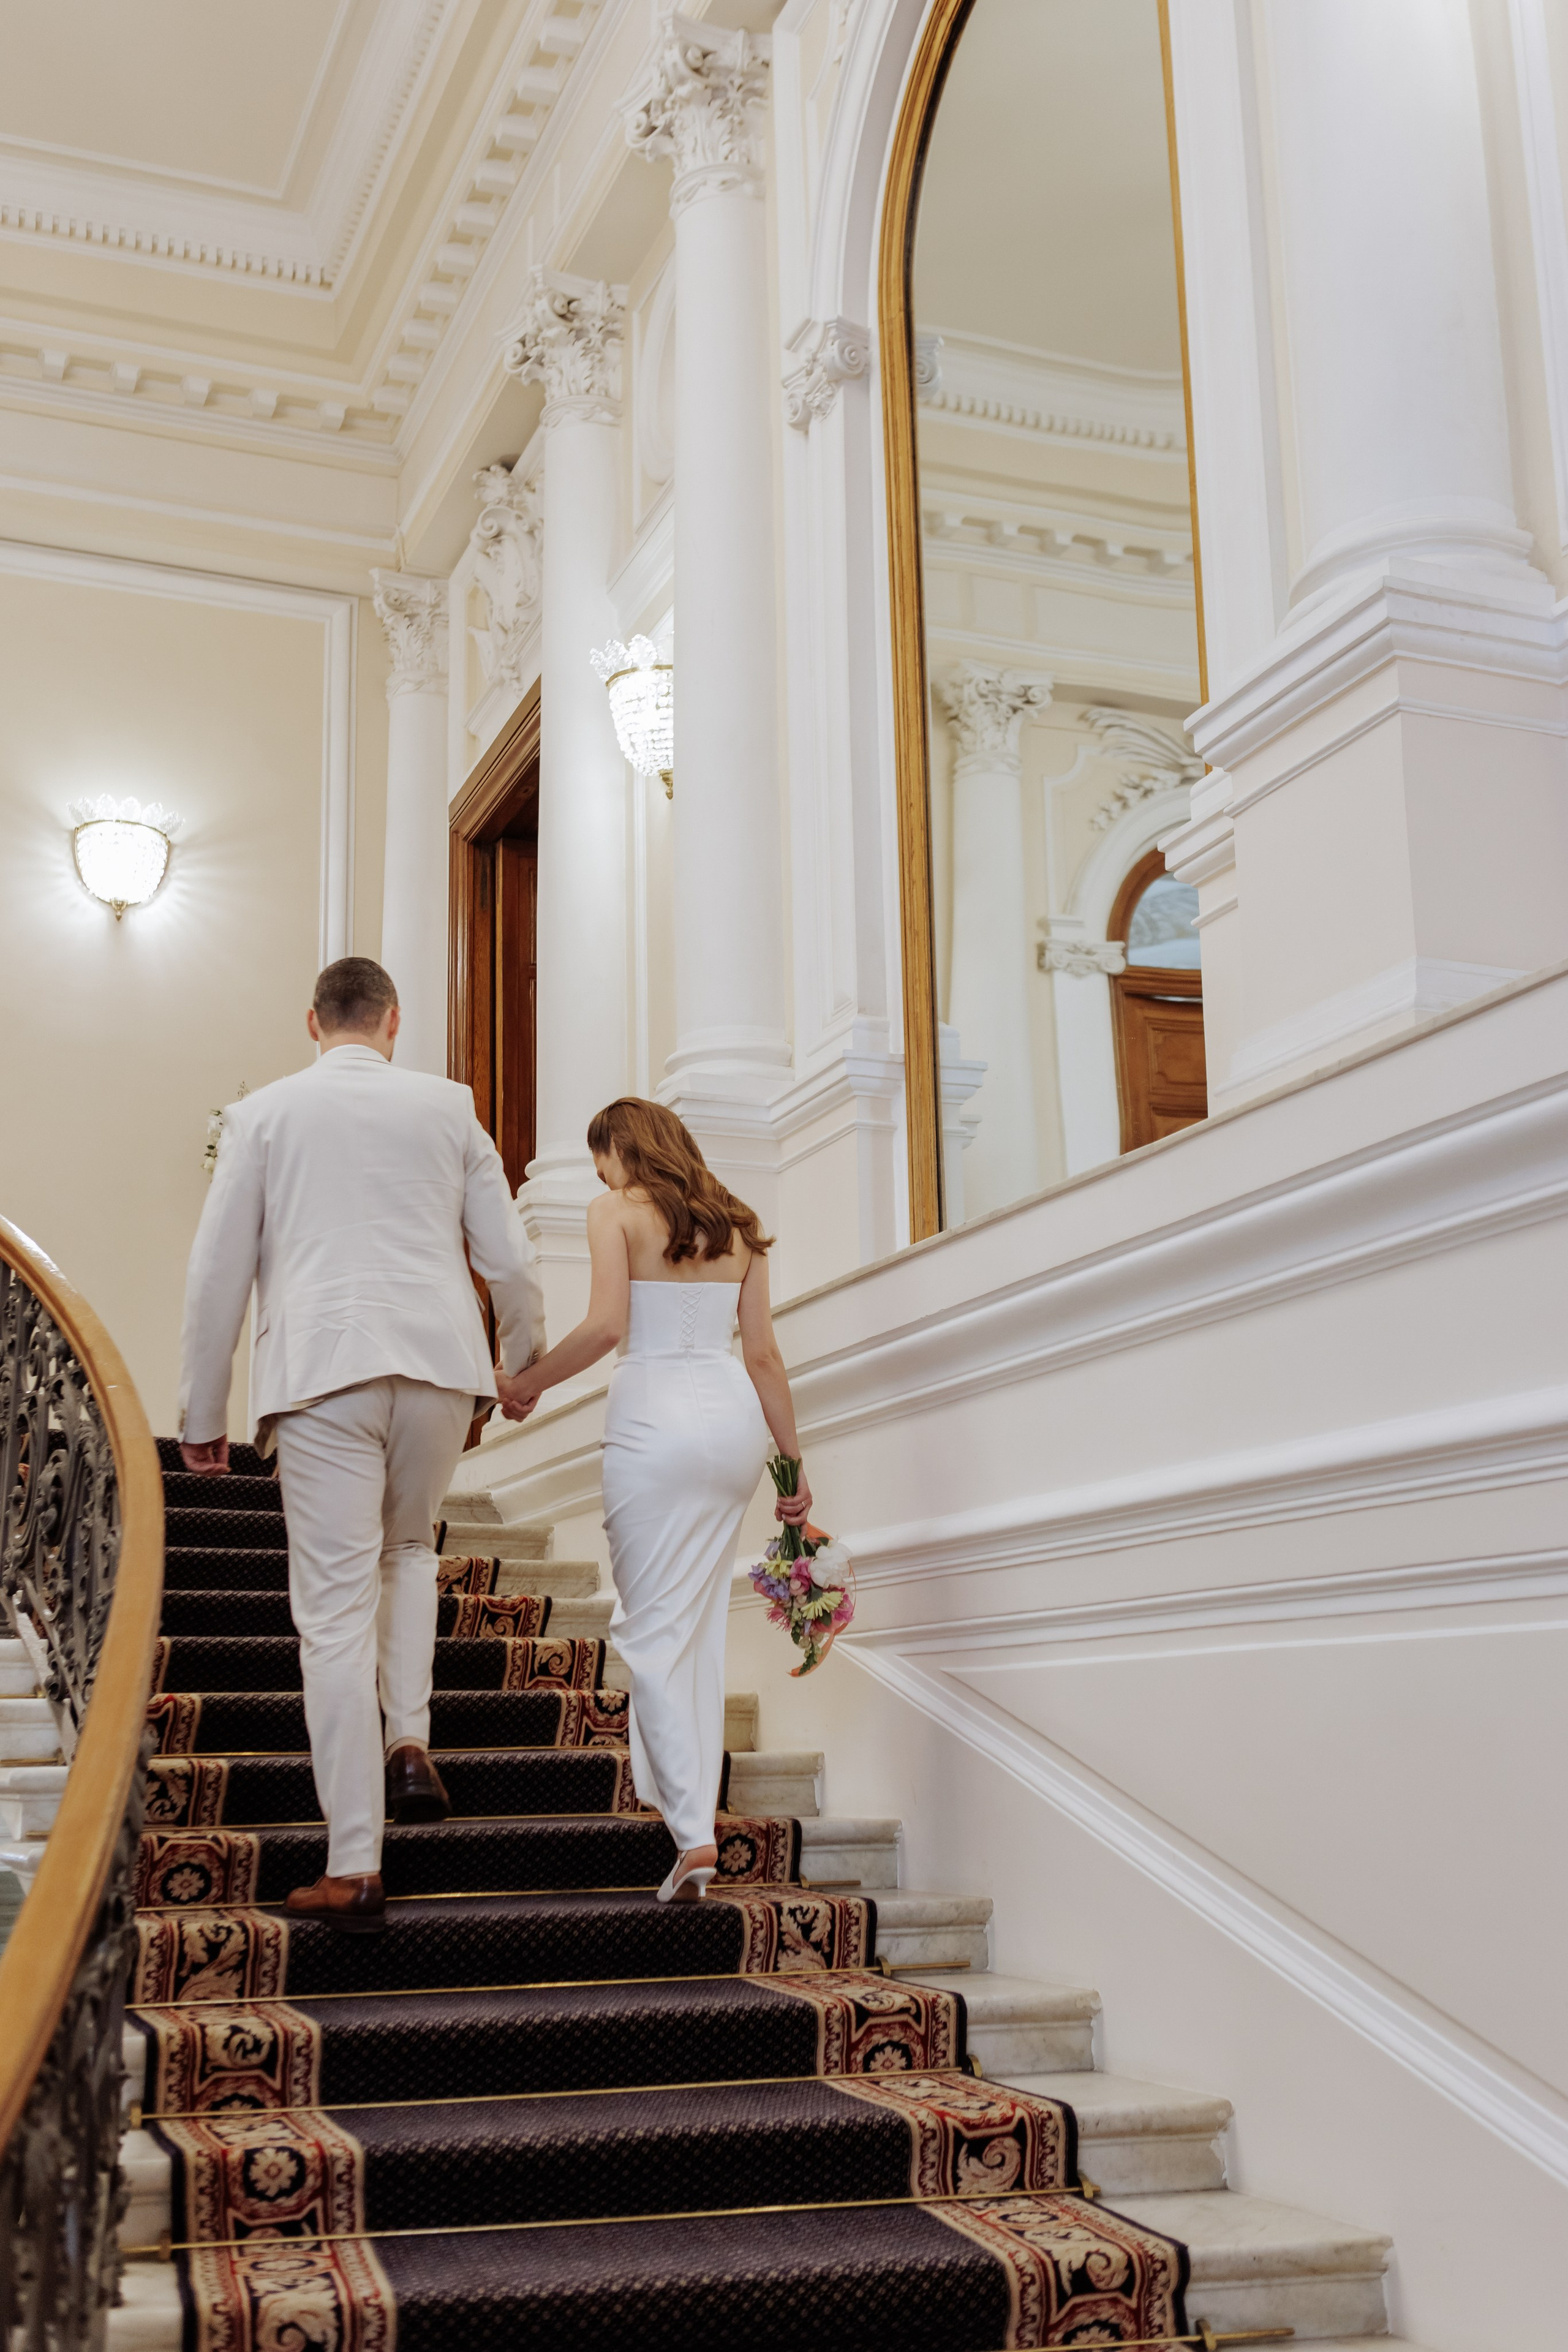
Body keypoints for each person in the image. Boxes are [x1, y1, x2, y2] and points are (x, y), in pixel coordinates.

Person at [176, 957, 544, 1932]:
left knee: (334, 1613)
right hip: (437, 1367)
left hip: (323, 1367)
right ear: (392, 1022)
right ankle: (411, 1739)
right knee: (413, 1549)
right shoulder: (448, 1105)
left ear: (313, 1022)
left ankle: (354, 1861)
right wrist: (520, 1363)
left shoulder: (267, 1116)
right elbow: (505, 1251)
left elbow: (219, 1271)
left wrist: (202, 1413)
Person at [495, 1098, 812, 1901]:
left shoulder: (615, 1210)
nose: (600, 1174)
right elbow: (766, 1357)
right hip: (734, 1423)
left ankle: (694, 1836)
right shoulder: (738, 1224)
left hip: (654, 1421)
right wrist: (792, 1467)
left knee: (647, 1628)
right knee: (696, 1629)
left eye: (601, 1159)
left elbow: (605, 1327)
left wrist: (526, 1383)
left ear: (619, 1152)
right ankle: (693, 1813)